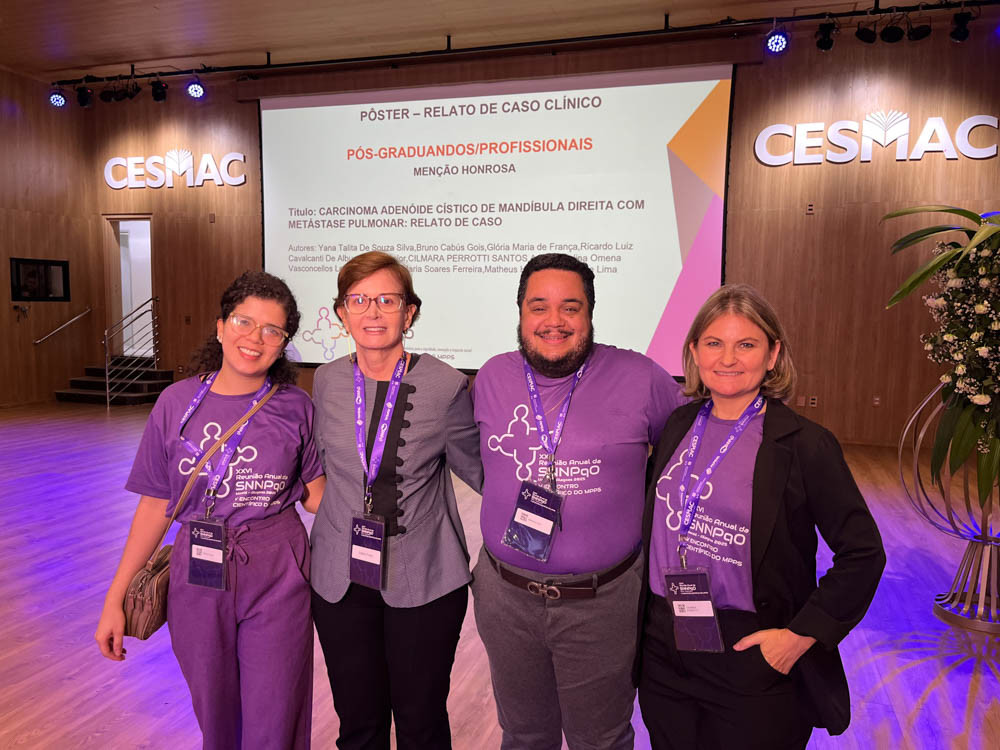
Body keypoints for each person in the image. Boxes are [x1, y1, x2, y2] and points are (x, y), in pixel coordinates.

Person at [637, 283, 885, 750]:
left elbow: (864, 554)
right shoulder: (678, 425)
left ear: (773, 355)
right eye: (714, 343)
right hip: (665, 645)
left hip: (752, 653)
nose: (728, 358)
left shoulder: (805, 445)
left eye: (746, 345)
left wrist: (800, 636)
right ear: (694, 351)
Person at [95, 271, 326, 749]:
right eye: (244, 322)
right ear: (220, 327)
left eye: (272, 330)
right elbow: (156, 505)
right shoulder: (174, 403)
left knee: (276, 714)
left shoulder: (296, 406)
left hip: (278, 567)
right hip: (197, 571)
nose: (254, 338)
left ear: (283, 344)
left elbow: (317, 495)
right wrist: (115, 597)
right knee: (215, 716)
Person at [471, 253, 685, 750]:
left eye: (571, 307)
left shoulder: (641, 378)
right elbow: (474, 461)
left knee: (601, 740)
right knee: (523, 736)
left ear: (590, 313)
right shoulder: (491, 377)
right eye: (538, 306)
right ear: (520, 313)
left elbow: (687, 451)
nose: (554, 321)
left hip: (602, 604)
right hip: (505, 599)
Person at [309, 251, 482, 750]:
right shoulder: (326, 381)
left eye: (387, 300)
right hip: (340, 580)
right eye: (358, 300)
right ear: (341, 313)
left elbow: (481, 472)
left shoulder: (446, 385)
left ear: (409, 312)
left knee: (420, 724)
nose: (373, 311)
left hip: (425, 579)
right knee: (358, 725)